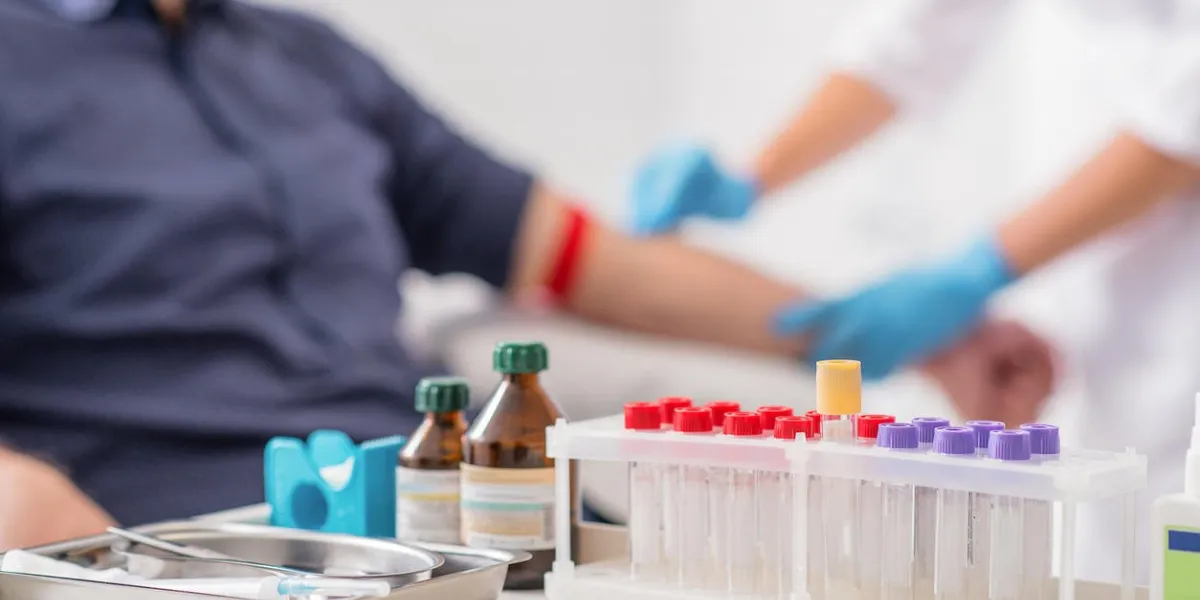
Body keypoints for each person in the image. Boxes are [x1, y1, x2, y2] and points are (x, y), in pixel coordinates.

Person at [0, 0, 1053, 550]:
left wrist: (882, 330)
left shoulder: (310, 60)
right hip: (178, 538)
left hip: (447, 529)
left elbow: (592, 261)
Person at [631, 0, 1199, 582]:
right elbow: (915, 30)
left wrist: (981, 268)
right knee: (1105, 543)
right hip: (1094, 278)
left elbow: (1189, 99)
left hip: (1182, 295)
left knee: (1173, 529)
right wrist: (753, 177)